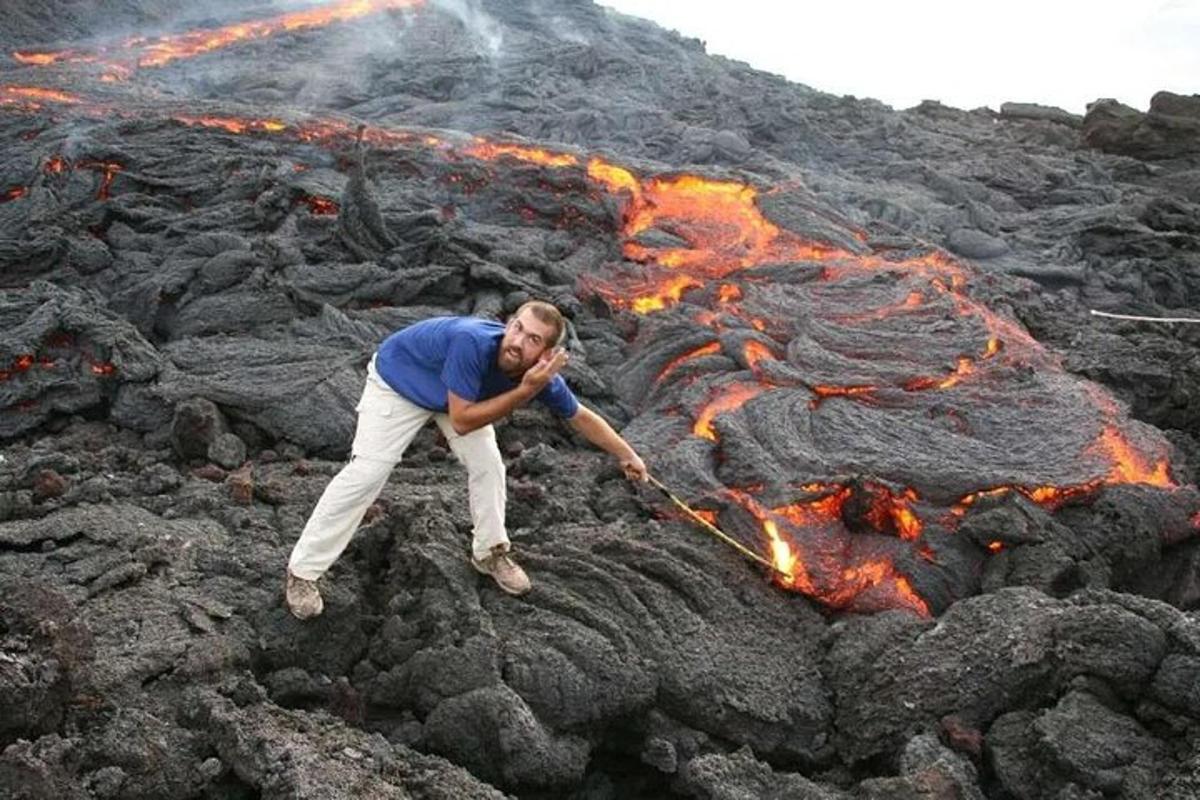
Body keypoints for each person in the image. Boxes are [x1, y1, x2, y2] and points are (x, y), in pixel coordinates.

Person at [285, 300, 648, 618]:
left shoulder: (539, 378)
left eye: (533, 340)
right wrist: (523, 392)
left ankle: (489, 552)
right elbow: (462, 420)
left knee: (489, 465)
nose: (518, 342)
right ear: (508, 324)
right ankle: (302, 573)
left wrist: (627, 455)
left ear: (546, 355)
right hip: (400, 380)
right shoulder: (471, 342)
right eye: (518, 328)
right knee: (367, 473)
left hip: (456, 396)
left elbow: (580, 416)